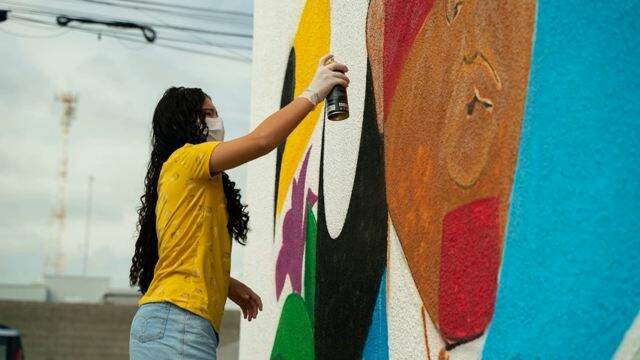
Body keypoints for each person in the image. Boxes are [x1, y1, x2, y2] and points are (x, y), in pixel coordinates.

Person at [128, 54, 349, 359]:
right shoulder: (188, 158)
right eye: (208, 113)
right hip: (177, 324)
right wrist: (312, 94)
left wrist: (226, 284)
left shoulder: (181, 175)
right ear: (183, 122)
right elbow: (262, 141)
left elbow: (182, 254)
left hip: (171, 323)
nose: (216, 119)